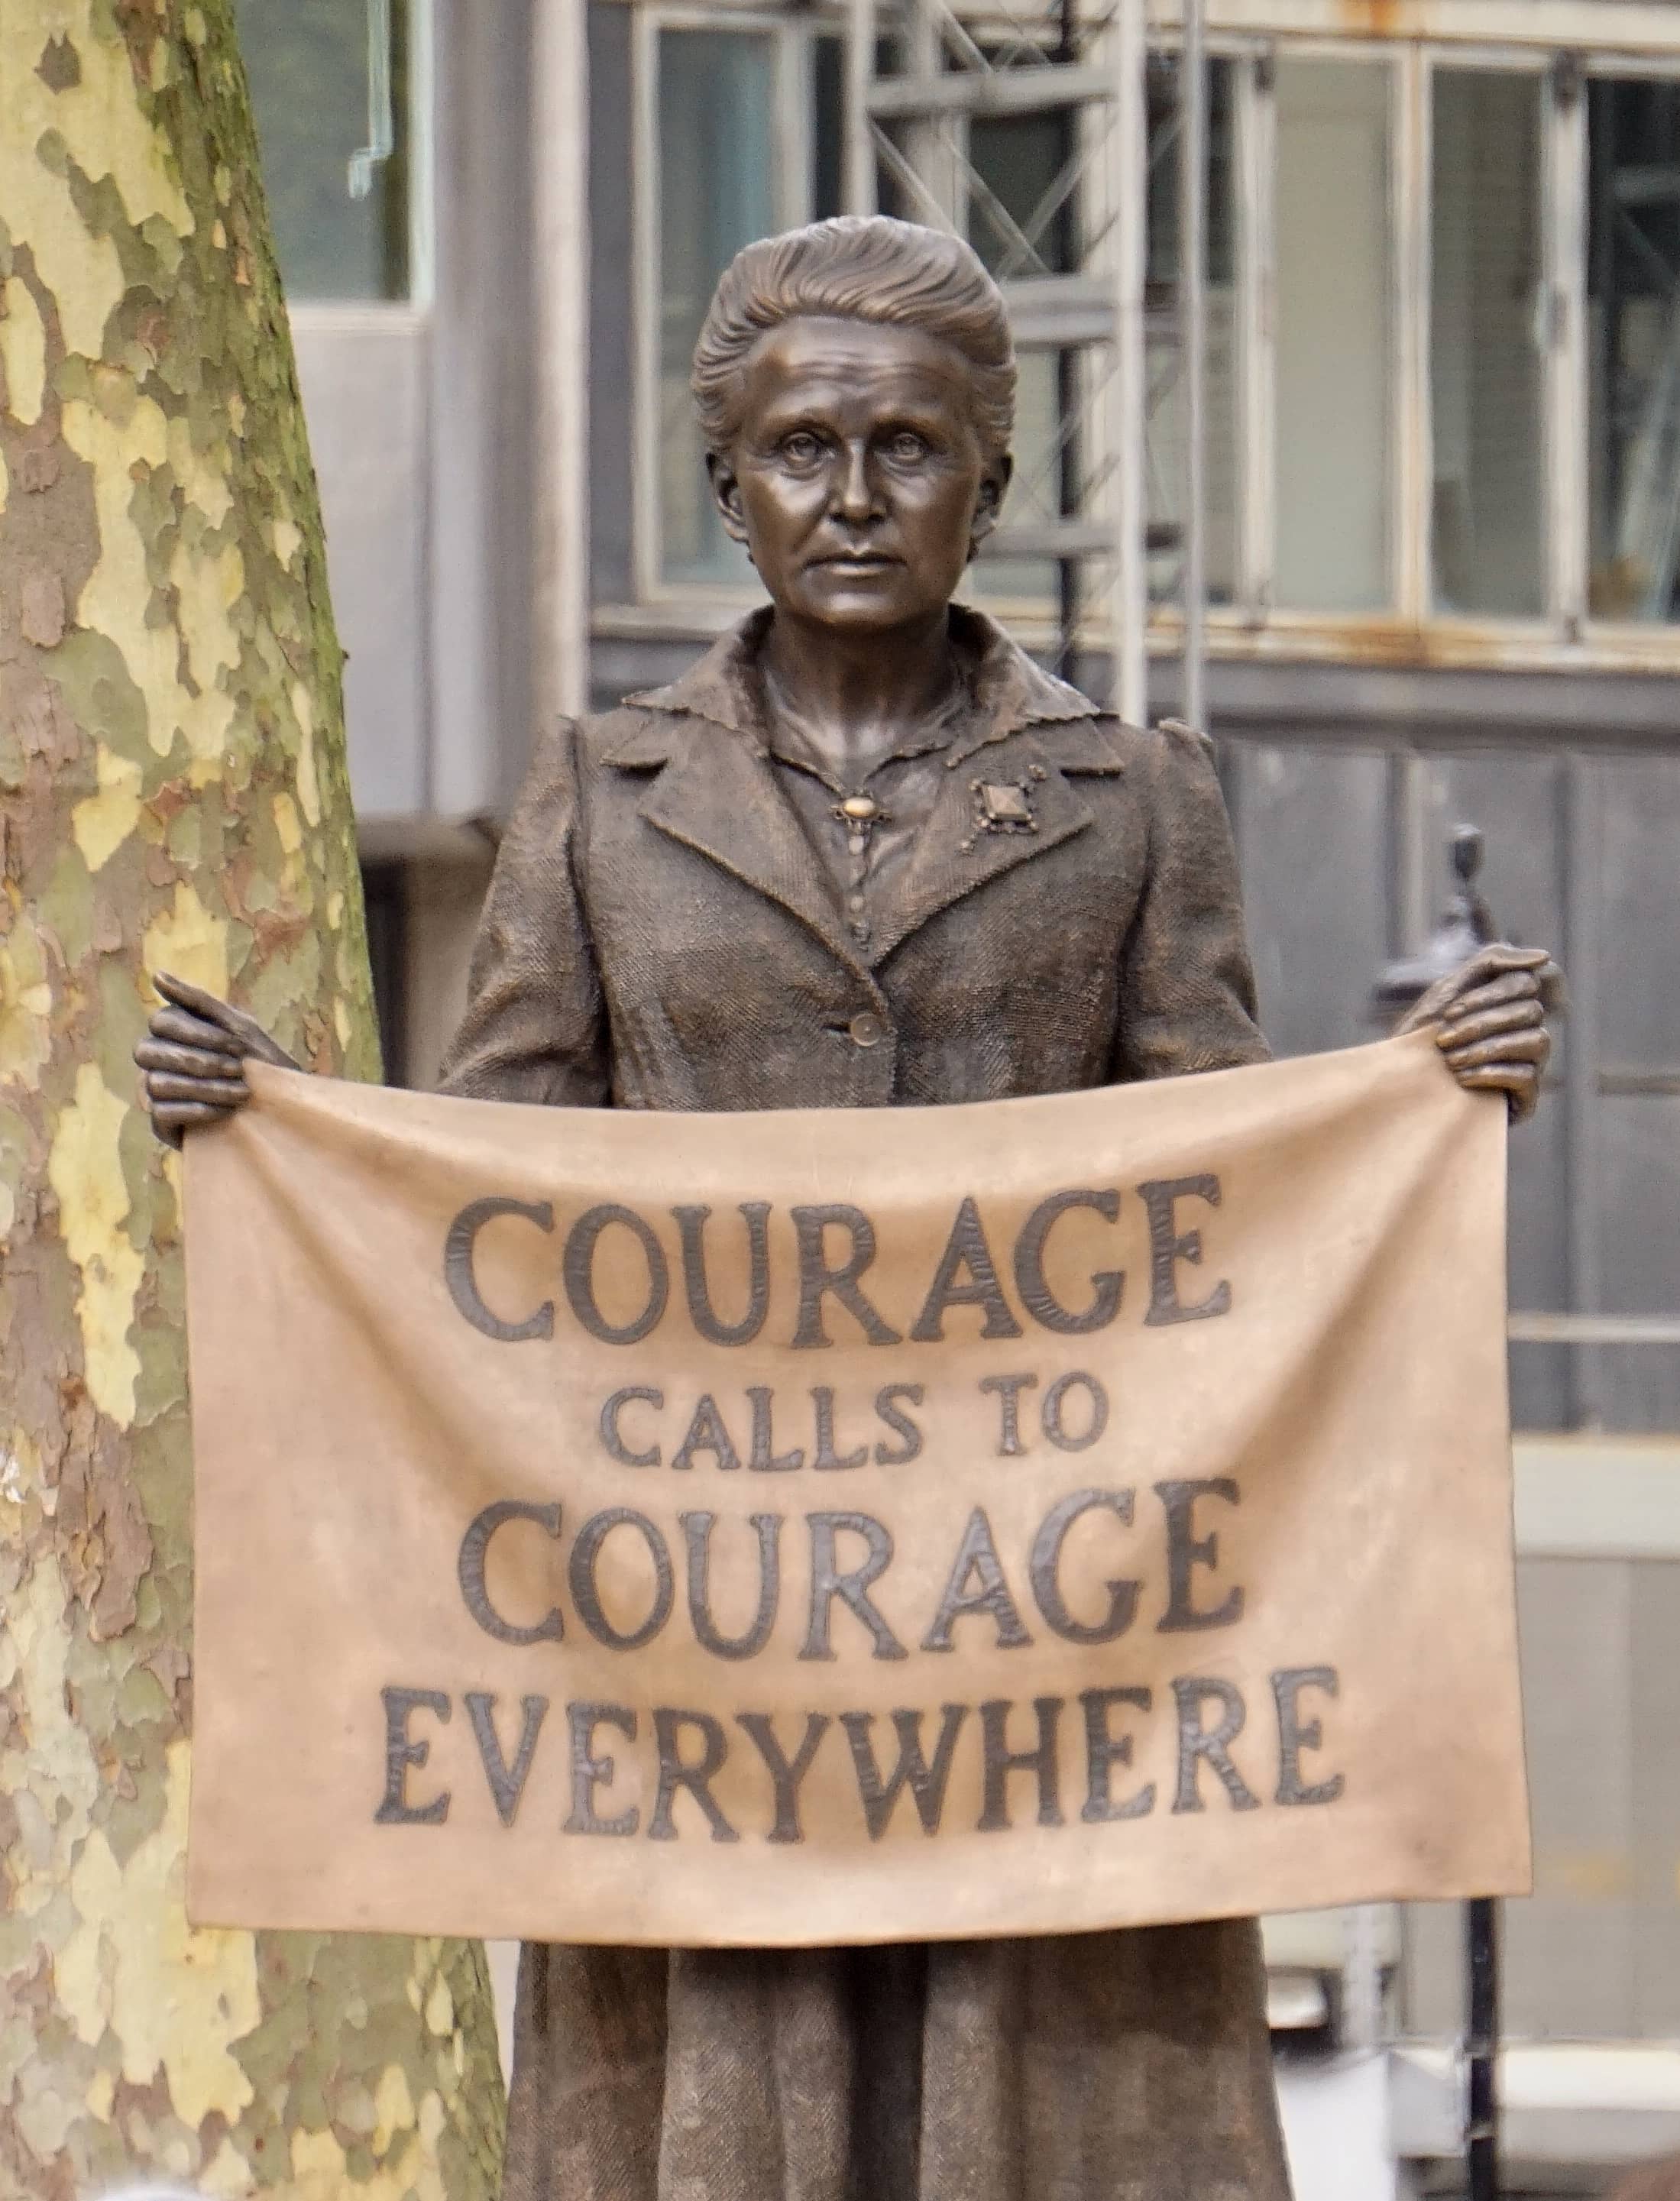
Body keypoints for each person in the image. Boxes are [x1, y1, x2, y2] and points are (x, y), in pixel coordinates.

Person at [139, 216, 1556, 2201]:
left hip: (1058, 1683)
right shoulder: (603, 802)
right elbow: (492, 1228)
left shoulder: (1134, 800)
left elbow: (1238, 1227)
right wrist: (283, 1133)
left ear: (995, 472)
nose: (856, 494)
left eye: (910, 445)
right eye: (803, 449)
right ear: (728, 486)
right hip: (705, 1698)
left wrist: (1426, 1097)